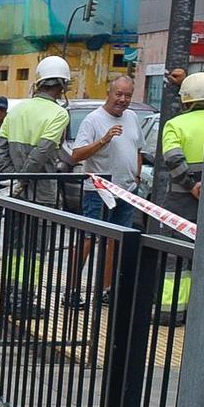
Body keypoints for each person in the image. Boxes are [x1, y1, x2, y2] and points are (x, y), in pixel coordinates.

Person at [67, 74, 142, 307]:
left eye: (127, 95)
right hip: (97, 191)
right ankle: (71, 290)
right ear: (109, 93)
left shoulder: (132, 117)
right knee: (87, 239)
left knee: (115, 241)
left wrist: (137, 175)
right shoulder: (93, 120)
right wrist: (103, 140)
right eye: (118, 94)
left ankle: (105, 291)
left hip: (126, 191)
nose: (122, 99)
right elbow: (76, 155)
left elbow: (137, 149)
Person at [0, 56, 74, 204]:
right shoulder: (59, 113)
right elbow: (42, 151)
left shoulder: (16, 110)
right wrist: (22, 180)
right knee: (43, 227)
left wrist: (15, 179)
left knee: (14, 227)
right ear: (62, 84)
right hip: (43, 194)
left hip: (16, 195)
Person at [161, 71, 204, 223]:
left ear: (186, 100)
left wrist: (192, 186)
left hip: (181, 203)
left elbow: (173, 159)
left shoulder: (175, 124)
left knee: (176, 246)